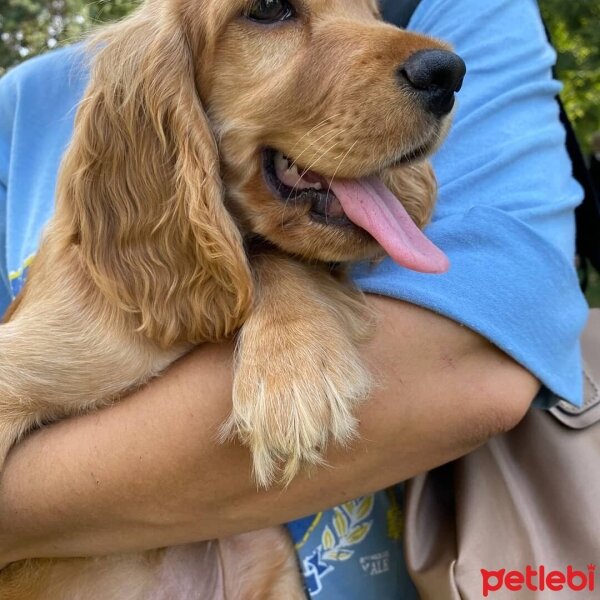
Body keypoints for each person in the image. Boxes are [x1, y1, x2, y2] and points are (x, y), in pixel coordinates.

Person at [0, 0, 587, 597]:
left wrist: (290, 283)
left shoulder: (470, 12)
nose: (393, 44)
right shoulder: (24, 105)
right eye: (272, 11)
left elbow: (474, 366)